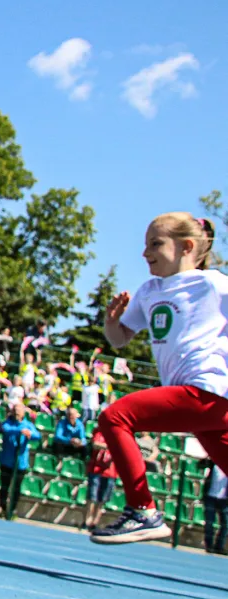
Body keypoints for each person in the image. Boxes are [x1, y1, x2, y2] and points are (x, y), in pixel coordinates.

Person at [92, 212, 228, 545]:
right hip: (199, 406)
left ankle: (143, 509)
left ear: (187, 247)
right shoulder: (150, 290)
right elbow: (122, 338)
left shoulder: (212, 284)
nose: (144, 252)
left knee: (115, 417)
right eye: (145, 244)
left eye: (156, 243)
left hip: (206, 390)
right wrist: (112, 322)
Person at [0, 402, 41, 519]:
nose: (17, 412)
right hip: (7, 459)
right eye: (15, 410)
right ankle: (3, 507)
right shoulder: (8, 422)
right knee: (4, 485)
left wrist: (29, 433)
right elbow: (5, 429)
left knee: (16, 487)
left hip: (20, 462)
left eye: (19, 410)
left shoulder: (28, 424)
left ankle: (13, 509)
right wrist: (20, 431)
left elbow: (37, 435)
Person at [83, 430, 117, 531]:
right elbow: (95, 444)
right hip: (96, 469)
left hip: (110, 472)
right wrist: (109, 446)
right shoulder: (99, 432)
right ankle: (87, 520)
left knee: (103, 499)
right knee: (92, 496)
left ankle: (95, 522)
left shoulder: (119, 435)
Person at [203, 463, 228, 555]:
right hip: (210, 497)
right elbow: (201, 464)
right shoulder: (213, 463)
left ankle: (219, 546)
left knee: (226, 524)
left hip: (224, 499)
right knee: (209, 522)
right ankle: (209, 546)